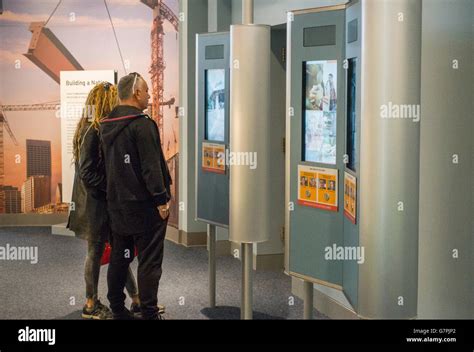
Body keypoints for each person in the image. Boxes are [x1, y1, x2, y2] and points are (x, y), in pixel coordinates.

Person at [100, 73, 172, 320]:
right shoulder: (143, 125)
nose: (150, 95)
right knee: (150, 261)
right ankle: (150, 313)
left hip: (117, 205)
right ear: (136, 93)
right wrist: (161, 200)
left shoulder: (105, 125)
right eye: (147, 91)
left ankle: (117, 308)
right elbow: (151, 168)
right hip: (145, 208)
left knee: (120, 257)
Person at [67, 82, 141, 320]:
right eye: (112, 100)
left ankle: (137, 299)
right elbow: (88, 174)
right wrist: (112, 188)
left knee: (118, 251)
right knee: (95, 252)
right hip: (95, 206)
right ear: (104, 102)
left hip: (96, 203)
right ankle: (91, 304)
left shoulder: (88, 128)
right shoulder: (93, 130)